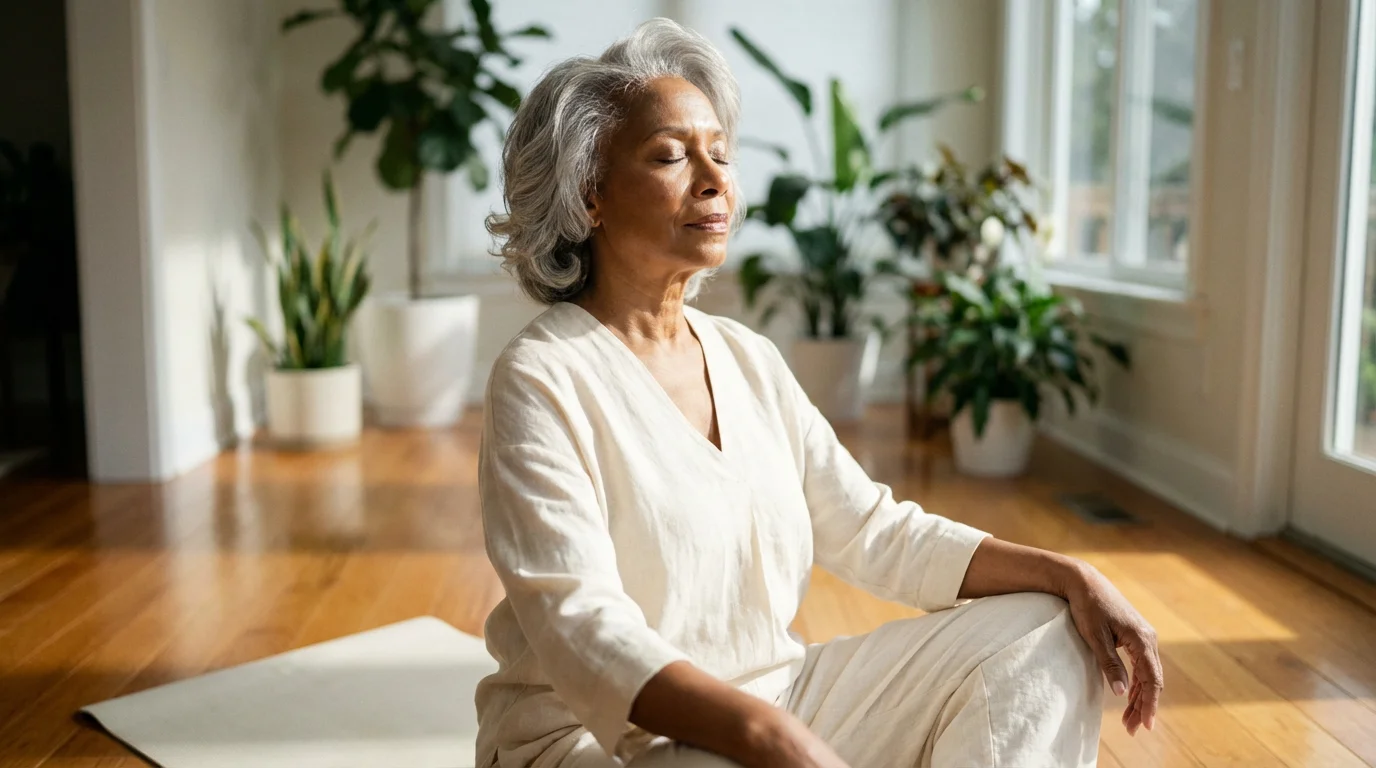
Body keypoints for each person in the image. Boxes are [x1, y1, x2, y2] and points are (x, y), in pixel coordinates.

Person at [474, 17, 1161, 768]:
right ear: (589, 195)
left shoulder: (746, 358)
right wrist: (763, 736)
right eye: (670, 155)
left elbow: (873, 529)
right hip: (597, 741)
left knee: (1043, 625)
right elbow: (580, 623)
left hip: (777, 698)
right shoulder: (542, 377)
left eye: (721, 154)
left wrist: (1071, 573)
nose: (714, 180)